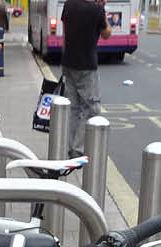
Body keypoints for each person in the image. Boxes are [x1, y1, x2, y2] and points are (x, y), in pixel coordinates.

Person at [60, 0, 109, 158]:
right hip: (87, 66)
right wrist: (103, 11)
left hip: (68, 63)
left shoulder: (68, 4)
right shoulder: (97, 10)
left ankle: (67, 146)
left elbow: (65, 34)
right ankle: (78, 149)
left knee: (72, 107)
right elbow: (107, 34)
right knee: (91, 108)